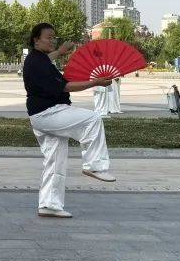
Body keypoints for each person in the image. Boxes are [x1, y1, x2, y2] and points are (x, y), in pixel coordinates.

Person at [23, 23, 116, 219]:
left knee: (55, 160)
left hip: (42, 115)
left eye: (54, 37)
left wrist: (60, 51)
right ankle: (94, 165)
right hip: (49, 113)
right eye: (49, 37)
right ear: (36, 39)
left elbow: (47, 59)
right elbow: (66, 87)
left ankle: (49, 204)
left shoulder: (37, 59)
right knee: (93, 119)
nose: (52, 40)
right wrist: (95, 82)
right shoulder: (36, 63)